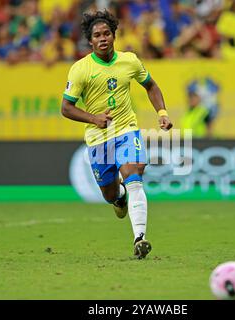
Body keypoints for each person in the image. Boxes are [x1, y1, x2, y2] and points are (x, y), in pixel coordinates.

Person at [61, 10, 173, 259]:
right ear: (90, 41)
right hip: (98, 138)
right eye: (97, 35)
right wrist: (93, 118)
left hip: (126, 129)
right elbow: (65, 108)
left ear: (114, 35)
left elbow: (151, 85)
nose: (102, 38)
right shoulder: (80, 69)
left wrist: (162, 112)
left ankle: (139, 238)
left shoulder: (130, 61)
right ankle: (119, 197)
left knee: (133, 175)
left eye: (106, 33)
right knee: (110, 194)